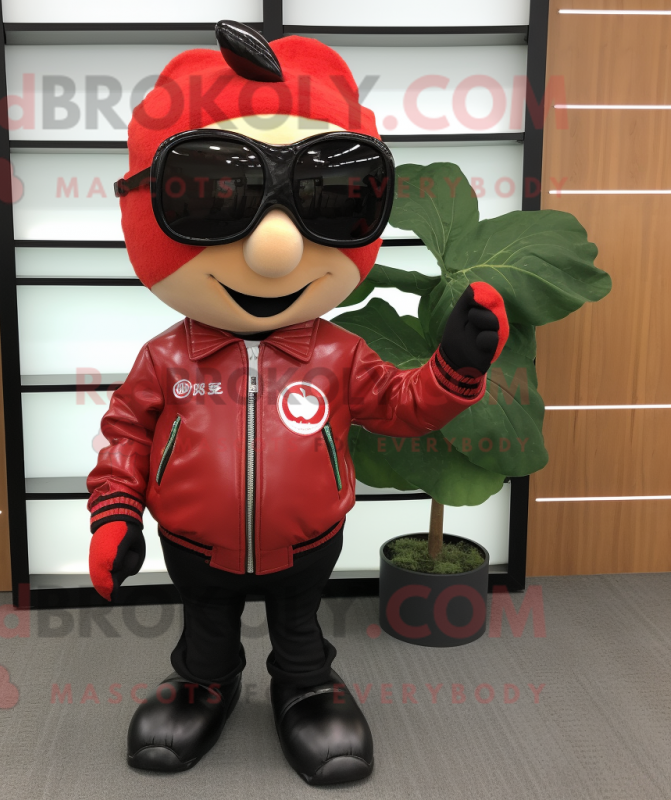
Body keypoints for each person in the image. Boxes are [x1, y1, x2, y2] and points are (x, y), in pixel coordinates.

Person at [87, 21, 509, 786]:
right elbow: (125, 434)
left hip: (307, 544)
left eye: (329, 196)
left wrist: (451, 370)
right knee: (206, 630)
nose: (275, 249)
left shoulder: (338, 354)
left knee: (299, 628)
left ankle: (306, 683)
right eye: (219, 194)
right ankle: (204, 680)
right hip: (195, 546)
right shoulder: (166, 358)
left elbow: (400, 405)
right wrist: (115, 517)